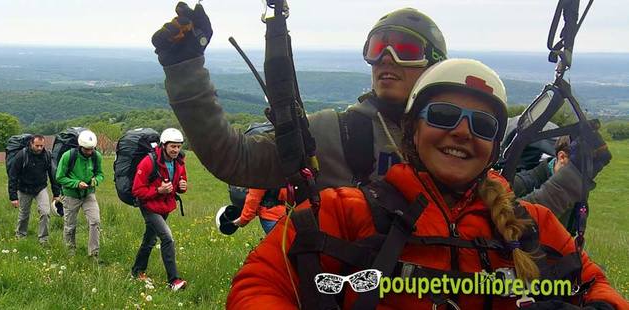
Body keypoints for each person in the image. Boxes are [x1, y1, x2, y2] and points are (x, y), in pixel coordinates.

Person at [229, 59, 627, 309]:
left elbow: (593, 283)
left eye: (482, 125)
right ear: (412, 132)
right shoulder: (345, 211)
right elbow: (260, 283)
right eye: (442, 115)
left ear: (492, 146)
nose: (462, 132)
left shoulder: (529, 224)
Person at [152, 3, 604, 218]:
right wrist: (186, 68)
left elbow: (509, 225)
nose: (386, 57)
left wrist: (574, 175)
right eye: (376, 47)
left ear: (433, 65)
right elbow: (234, 159)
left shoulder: (456, 139)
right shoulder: (336, 132)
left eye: (404, 48)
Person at [129, 128, 189, 291]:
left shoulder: (179, 162)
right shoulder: (149, 161)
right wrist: (158, 190)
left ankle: (136, 271)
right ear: (164, 145)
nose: (176, 150)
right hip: (149, 206)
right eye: (173, 147)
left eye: (178, 146)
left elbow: (177, 185)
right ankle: (174, 281)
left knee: (150, 240)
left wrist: (182, 187)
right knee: (167, 238)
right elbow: (137, 190)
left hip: (165, 206)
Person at [55, 130, 105, 262]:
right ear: (81, 147)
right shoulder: (68, 156)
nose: (90, 152)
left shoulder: (96, 156)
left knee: (95, 221)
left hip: (89, 194)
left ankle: (93, 254)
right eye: (87, 149)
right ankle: (70, 251)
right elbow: (59, 177)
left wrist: (96, 180)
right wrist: (76, 183)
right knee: (70, 225)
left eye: (92, 149)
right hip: (71, 195)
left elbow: (100, 174)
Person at [7, 134, 61, 243]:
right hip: (24, 189)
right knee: (24, 215)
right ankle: (21, 235)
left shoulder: (47, 155)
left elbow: (52, 175)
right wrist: (13, 197)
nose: (40, 148)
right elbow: (13, 176)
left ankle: (43, 239)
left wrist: (56, 194)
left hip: (40, 188)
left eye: (41, 146)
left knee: (45, 212)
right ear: (31, 144)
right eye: (37, 146)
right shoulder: (22, 155)